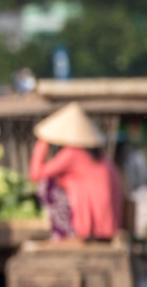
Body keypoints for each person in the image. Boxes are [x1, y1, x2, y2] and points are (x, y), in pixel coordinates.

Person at [28, 101, 124, 241]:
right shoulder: (97, 154)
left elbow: (35, 174)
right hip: (107, 219)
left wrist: (42, 143)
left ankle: (63, 232)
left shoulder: (72, 153)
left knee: (46, 184)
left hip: (95, 221)